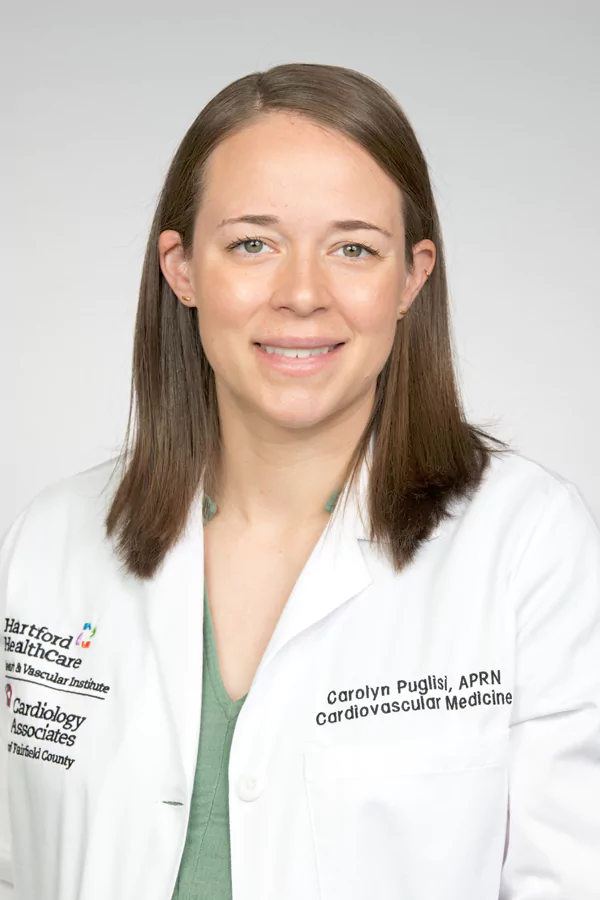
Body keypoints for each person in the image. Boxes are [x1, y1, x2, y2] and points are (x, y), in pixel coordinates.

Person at [1, 62, 599, 900]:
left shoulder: (527, 544)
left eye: (354, 249)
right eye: (253, 243)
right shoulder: (51, 542)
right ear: (181, 267)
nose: (303, 295)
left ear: (411, 277)